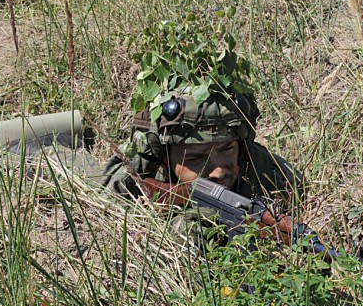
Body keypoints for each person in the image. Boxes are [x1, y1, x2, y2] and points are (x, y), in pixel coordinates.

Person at [99, 91, 304, 244]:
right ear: (165, 158)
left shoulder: (265, 170)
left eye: (227, 150)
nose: (219, 171)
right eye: (196, 158)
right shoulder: (137, 166)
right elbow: (102, 210)